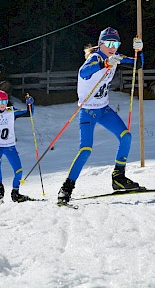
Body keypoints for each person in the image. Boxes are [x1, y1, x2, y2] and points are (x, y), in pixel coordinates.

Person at [57, 27, 144, 204]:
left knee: (126, 137)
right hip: (88, 111)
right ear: (101, 44)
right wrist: (105, 64)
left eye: (116, 43)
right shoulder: (95, 58)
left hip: (104, 110)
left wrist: (139, 51)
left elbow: (138, 64)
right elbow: (84, 72)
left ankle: (118, 178)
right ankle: (66, 187)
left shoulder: (115, 57)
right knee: (86, 149)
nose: (113, 47)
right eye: (109, 43)